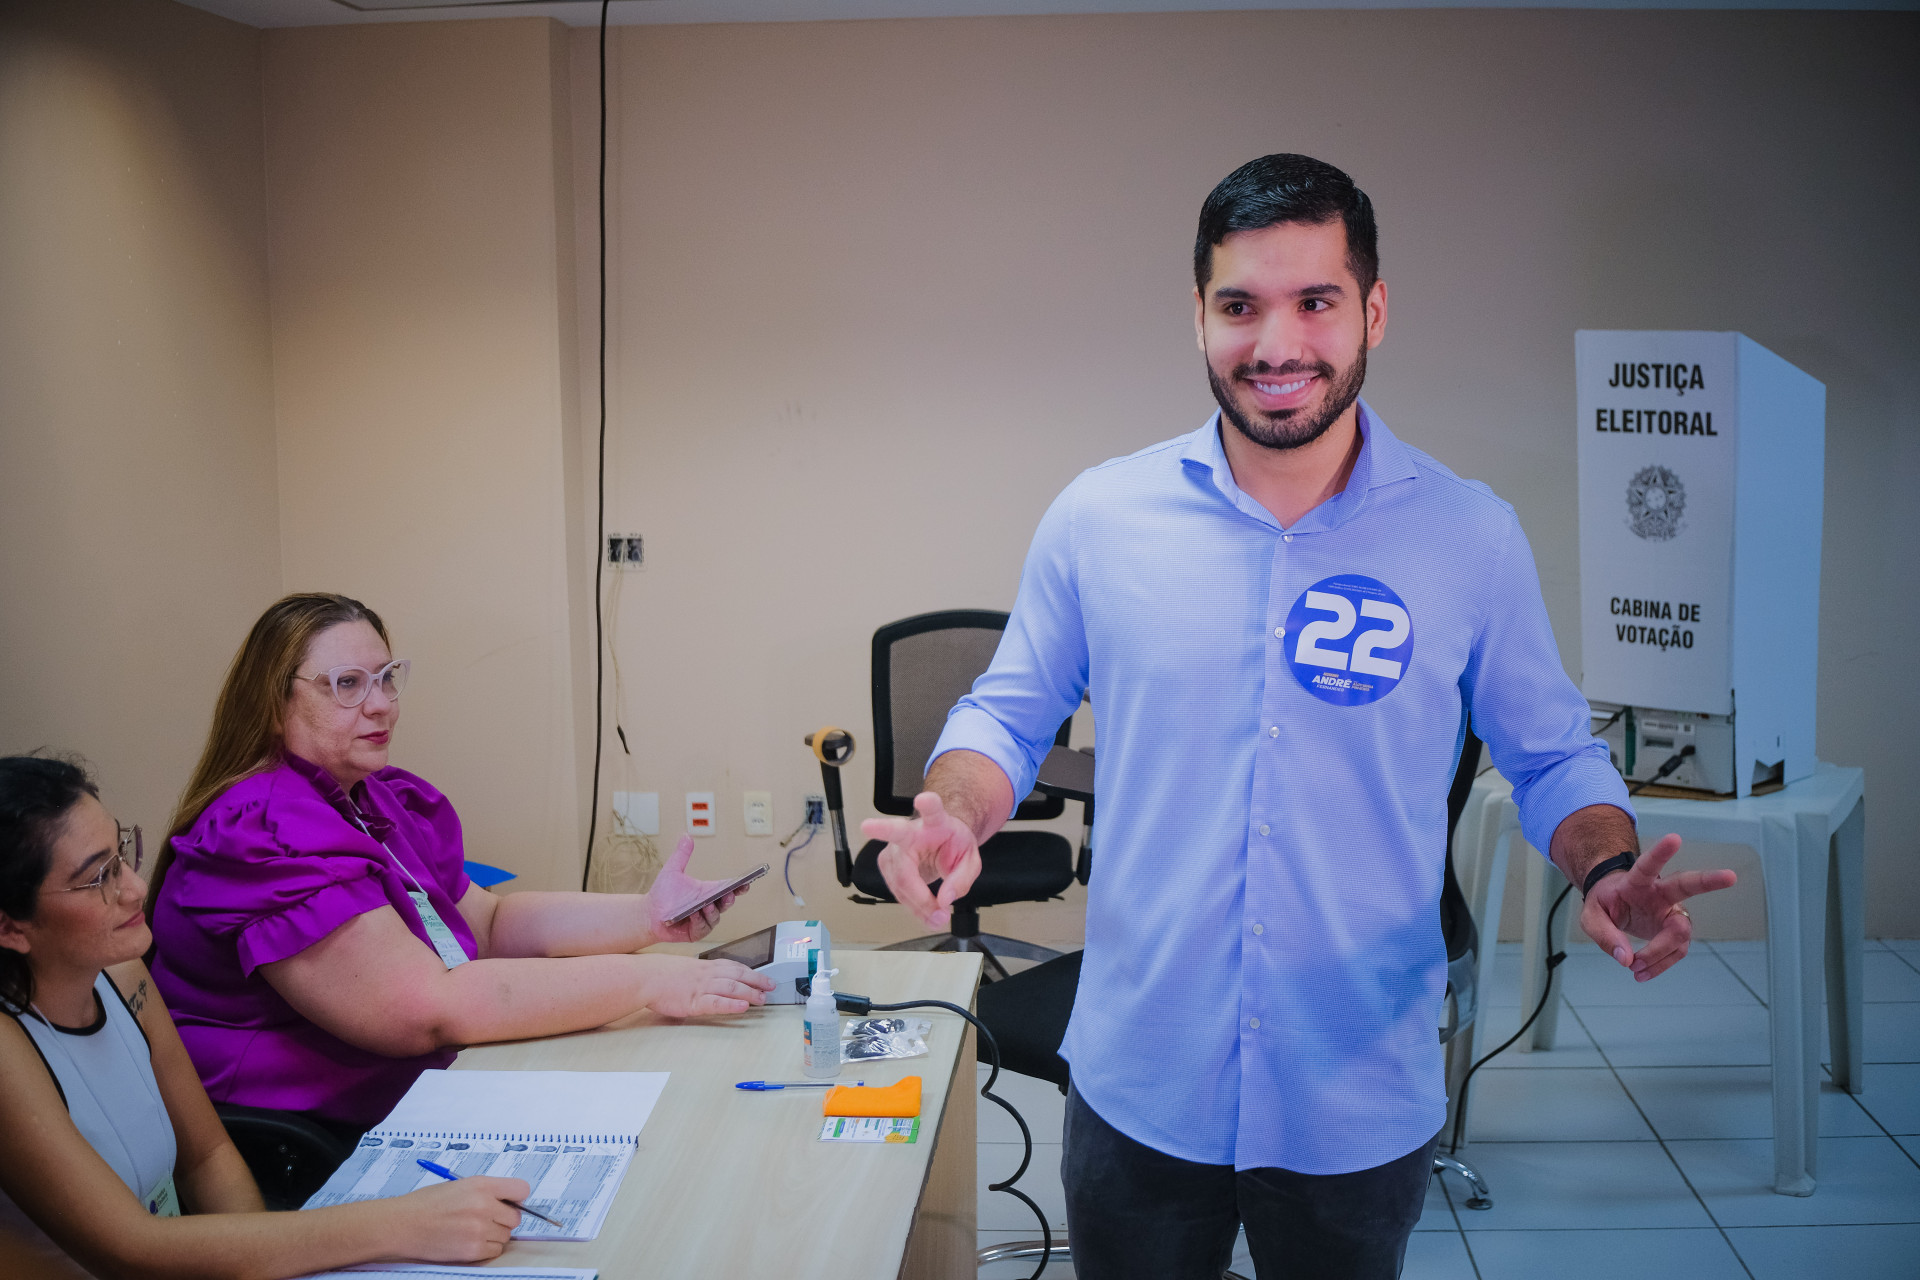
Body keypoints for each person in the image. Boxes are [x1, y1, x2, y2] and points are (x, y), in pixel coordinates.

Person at [864, 154, 1738, 1280]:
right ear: (1198, 317)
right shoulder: (1101, 517)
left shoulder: (1470, 536)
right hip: (1141, 1083)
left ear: (1372, 308)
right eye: (1240, 305)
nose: (1277, 344)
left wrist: (1604, 864)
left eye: (1315, 301)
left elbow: (1554, 750)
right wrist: (960, 811)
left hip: (1356, 1093)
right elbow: (1007, 709)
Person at [147, 592, 774, 1140]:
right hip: (310, 1132)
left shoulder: (373, 797)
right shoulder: (261, 828)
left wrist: (646, 918)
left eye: (387, 677)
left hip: (415, 1086)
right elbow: (426, 1008)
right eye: (347, 684)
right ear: (273, 702)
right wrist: (644, 982)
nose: (382, 704)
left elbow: (492, 922)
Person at [0, 754, 533, 1279]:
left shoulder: (123, 976)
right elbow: (131, 1250)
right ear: (11, 929)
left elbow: (206, 1157)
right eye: (99, 879)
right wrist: (403, 1225)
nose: (135, 888)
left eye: (121, 855)